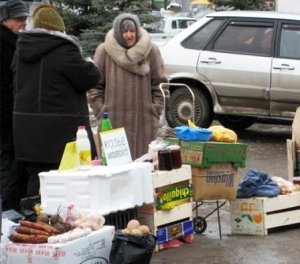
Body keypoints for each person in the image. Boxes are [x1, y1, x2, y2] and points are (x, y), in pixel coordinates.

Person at [12, 4, 100, 199]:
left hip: (27, 134)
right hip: (60, 136)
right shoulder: (63, 51)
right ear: (60, 30)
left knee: (37, 185)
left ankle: (33, 221)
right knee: (66, 188)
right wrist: (90, 63)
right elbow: (90, 77)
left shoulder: (21, 52)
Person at [87, 13, 168, 160]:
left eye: (132, 31)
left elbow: (161, 85)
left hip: (145, 124)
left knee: (144, 170)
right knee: (115, 171)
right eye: (125, 31)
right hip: (112, 123)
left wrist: (154, 110)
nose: (129, 35)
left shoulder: (151, 51)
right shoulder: (104, 51)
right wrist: (101, 111)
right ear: (118, 33)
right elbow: (94, 87)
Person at [0, 0, 28, 211]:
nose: (23, 22)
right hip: (7, 120)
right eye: (19, 19)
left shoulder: (15, 42)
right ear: (5, 19)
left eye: (25, 18)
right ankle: (10, 216)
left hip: (14, 119)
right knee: (9, 170)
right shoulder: (6, 44)